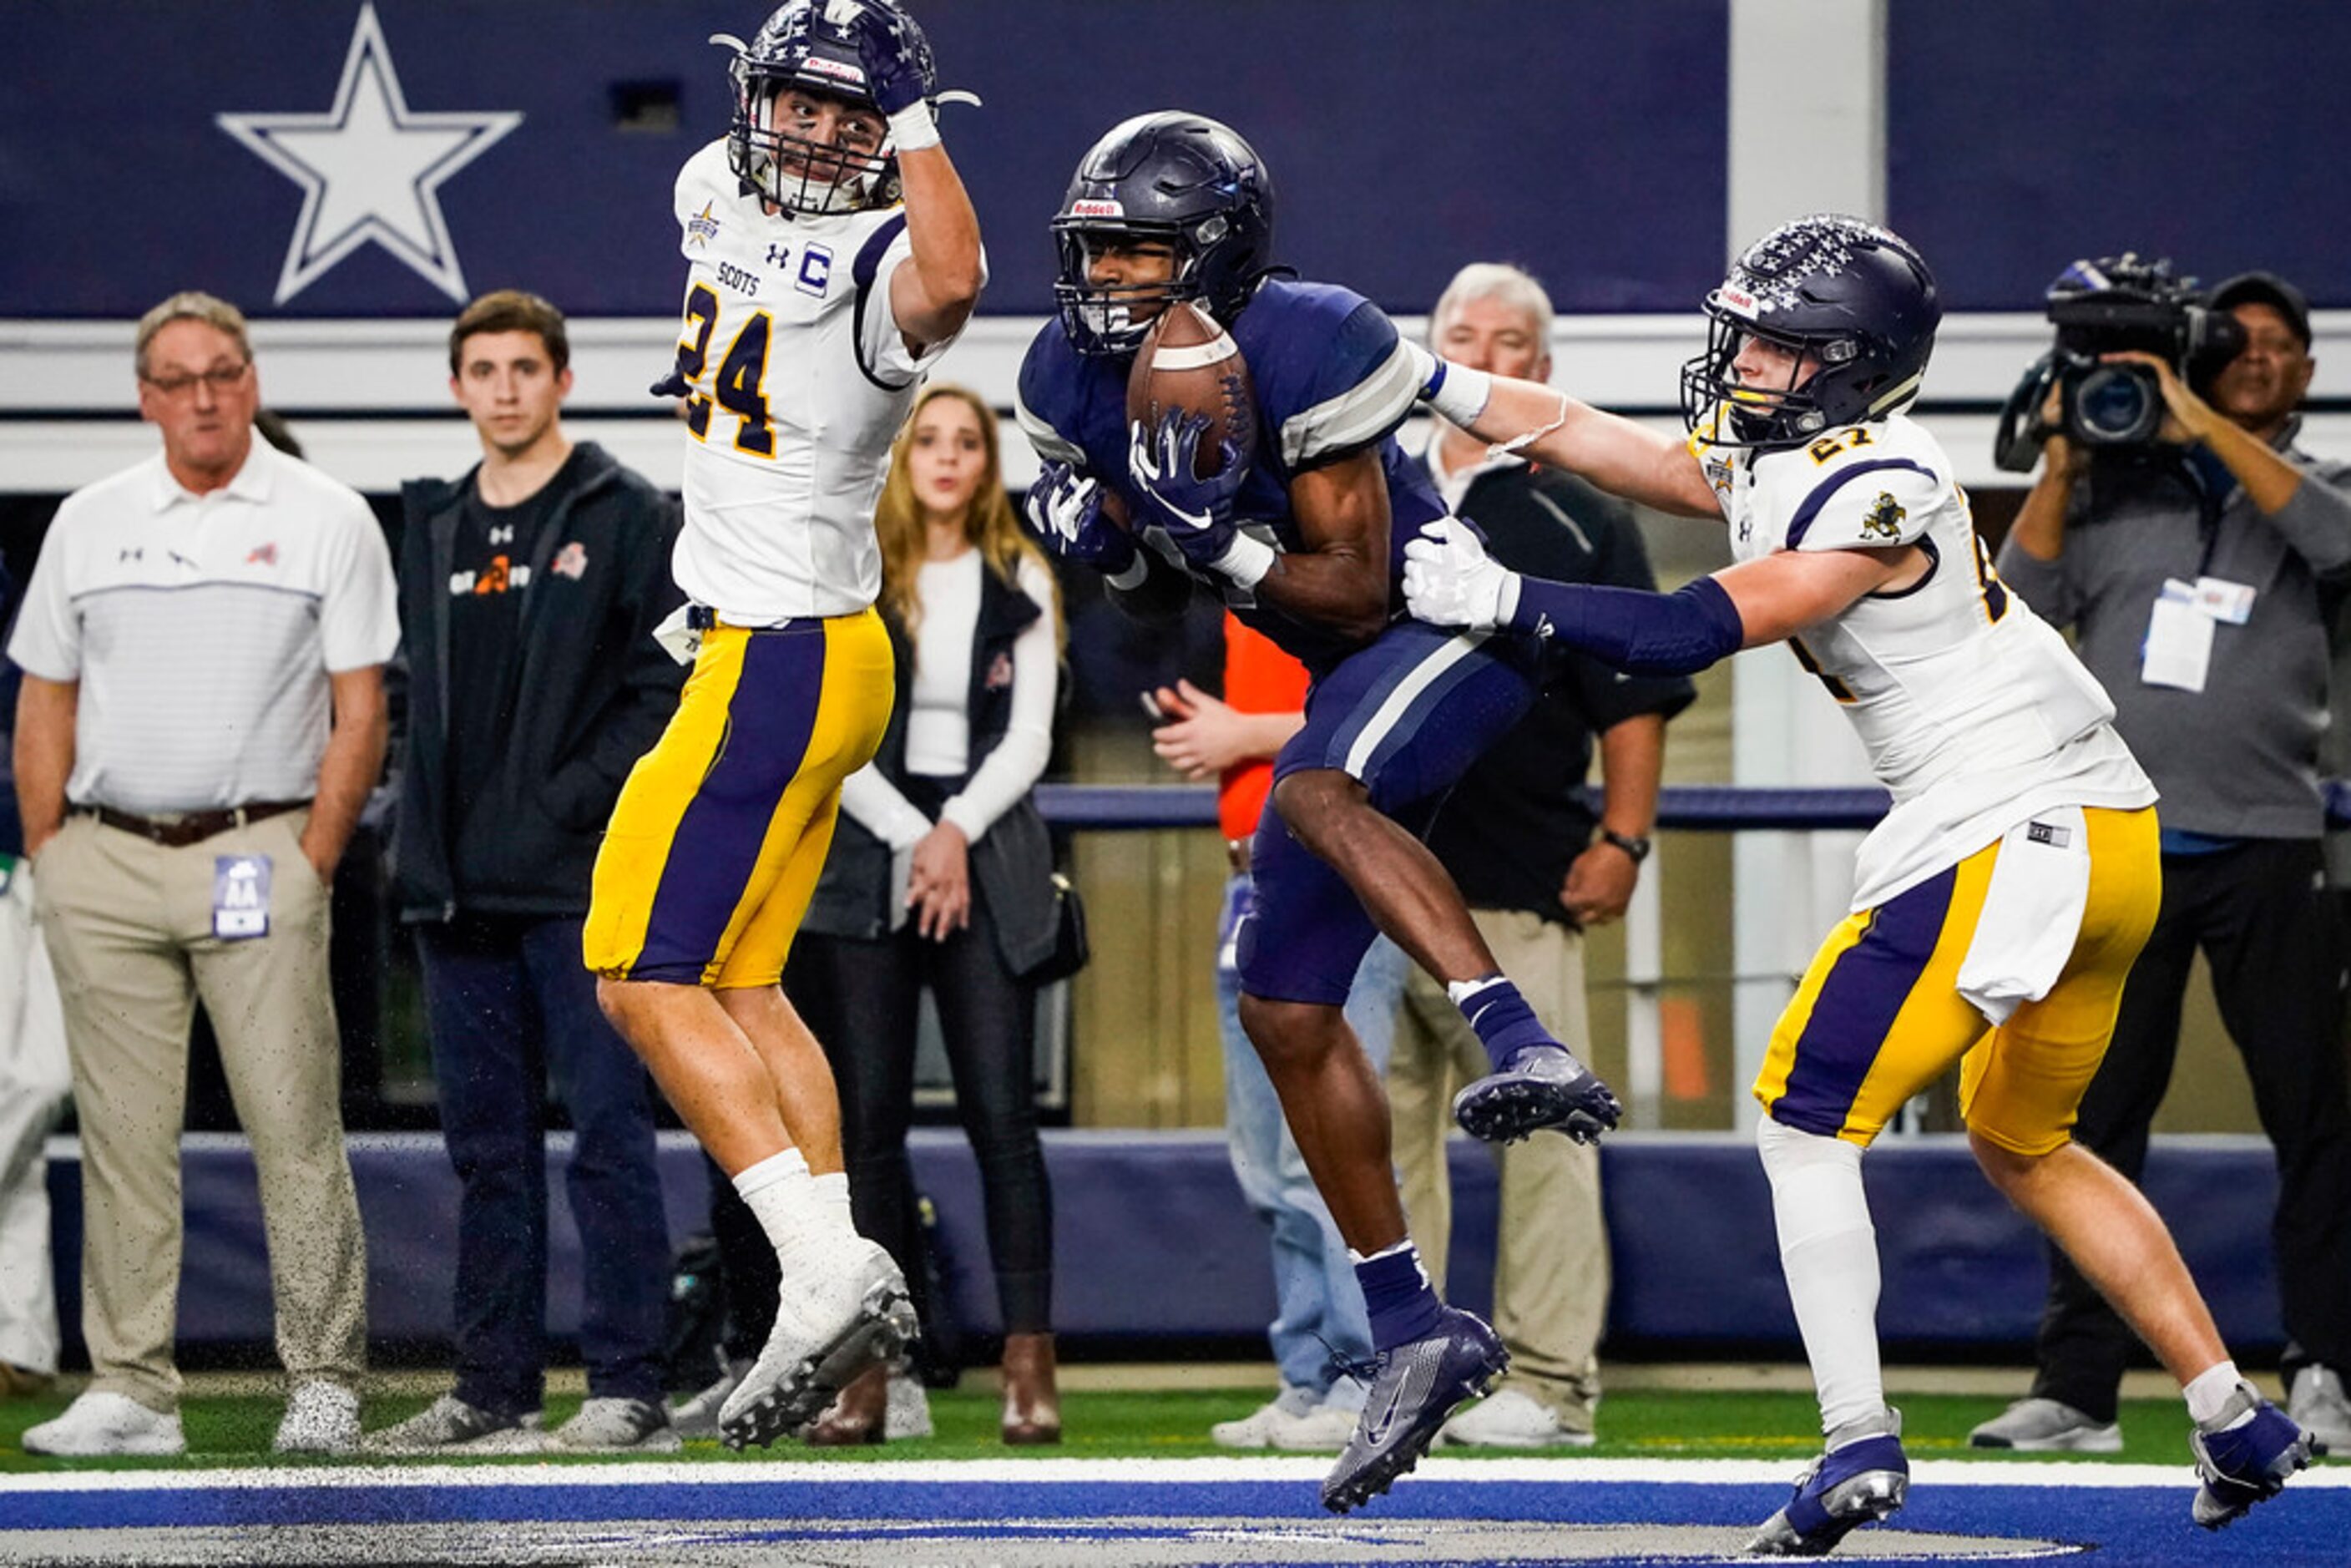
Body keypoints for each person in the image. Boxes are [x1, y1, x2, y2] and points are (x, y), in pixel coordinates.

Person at [1400, 215, 2316, 1547]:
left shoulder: (1877, 481)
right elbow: (1621, 444)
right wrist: (1426, 377)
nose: (1743, 360)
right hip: (2099, 829)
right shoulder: (1801, 448)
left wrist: (1504, 597)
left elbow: (1689, 626)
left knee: (1801, 1113)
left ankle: (1853, 1439)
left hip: (2005, 819)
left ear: (1845, 363)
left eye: (1775, 344)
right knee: (2027, 1140)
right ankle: (2234, 1409)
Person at [1014, 111, 1622, 1514]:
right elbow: (1142, 574)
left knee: (1314, 784)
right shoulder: (1065, 369)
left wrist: (1198, 529)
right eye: (1093, 246)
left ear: (1214, 257)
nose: (1104, 275)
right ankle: (1411, 1325)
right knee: (1281, 1003)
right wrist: (1106, 536)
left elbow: (1351, 584)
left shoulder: (1313, 338)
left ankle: (1514, 1033)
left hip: (1443, 631)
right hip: (1345, 670)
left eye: (1137, 249)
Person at [582, 0, 983, 1453]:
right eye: (799, 105)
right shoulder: (707, 183)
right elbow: (747, 233)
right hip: (810, 649)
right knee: (743, 983)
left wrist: (920, 116)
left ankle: (818, 1271)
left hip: (780, 649)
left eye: (850, 116)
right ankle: (839, 1257)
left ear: (887, 136)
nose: (817, 134)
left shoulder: (890, 255)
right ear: (757, 101)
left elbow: (953, 278)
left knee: (634, 968)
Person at [1967, 270, 2351, 1459]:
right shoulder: (2112, 479)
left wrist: (2200, 423)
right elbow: (2009, 609)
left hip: (2273, 845)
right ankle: (2077, 1390)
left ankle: (2327, 1367)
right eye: (2232, 339)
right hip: (2120, 843)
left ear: (2306, 370)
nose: (2256, 354)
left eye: (2278, 345)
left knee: (2318, 1118)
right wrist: (2067, 460)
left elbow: (2338, 548)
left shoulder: (2315, 485)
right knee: (2086, 1118)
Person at [13, 291, 394, 1457]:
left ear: (253, 379)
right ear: (146, 398)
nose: (205, 397)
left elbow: (360, 706)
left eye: (223, 372)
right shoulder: (88, 518)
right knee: (123, 1136)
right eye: (178, 380)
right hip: (106, 860)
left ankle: (324, 1379)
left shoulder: (328, 515)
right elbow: (45, 695)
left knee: (294, 1121)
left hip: (257, 854)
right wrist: (55, 852)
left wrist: (311, 857)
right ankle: (133, 1388)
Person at [364, 291, 688, 1454]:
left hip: (583, 889)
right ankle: (492, 1387)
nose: (503, 387)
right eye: (482, 368)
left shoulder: (630, 514)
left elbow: (668, 690)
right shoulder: (434, 520)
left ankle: (628, 1384)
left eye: (523, 367)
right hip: (457, 896)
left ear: (561, 379)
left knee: (609, 1135)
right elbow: (416, 700)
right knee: (486, 1153)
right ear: (458, 386)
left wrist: (565, 804)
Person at [1392, 263, 1692, 1451]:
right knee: (1379, 1133)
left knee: (1546, 1130)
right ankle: (1406, 1364)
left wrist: (1623, 839)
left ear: (1541, 372)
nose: (1480, 354)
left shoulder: (1581, 510)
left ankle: (1554, 1382)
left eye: (1506, 341)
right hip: (1375, 874)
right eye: (1458, 335)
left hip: (1518, 872)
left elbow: (1633, 699)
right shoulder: (1365, 486)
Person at [782, 384, 1064, 1445]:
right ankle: (868, 1369)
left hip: (986, 861)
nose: (945, 459)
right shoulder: (855, 569)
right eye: (928, 441)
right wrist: (917, 838)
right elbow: (835, 732)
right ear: (902, 460)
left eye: (966, 444)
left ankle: (1026, 1365)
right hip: (868, 865)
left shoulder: (1020, 573)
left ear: (987, 465)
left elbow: (1029, 736)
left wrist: (955, 836)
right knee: (866, 1130)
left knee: (1002, 1118)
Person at [1147, 617, 1409, 1454]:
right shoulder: (1232, 575)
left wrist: (1241, 732)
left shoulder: (1356, 550)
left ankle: (1368, 1377)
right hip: (1247, 875)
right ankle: (1308, 1376)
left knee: (1328, 1150)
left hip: (1333, 871)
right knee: (1264, 1158)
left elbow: (1389, 706)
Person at [0, 578, 73, 1404]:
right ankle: (21, 1341)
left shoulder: (33, 573)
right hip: (22, 851)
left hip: (58, 849)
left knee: (40, 1079)